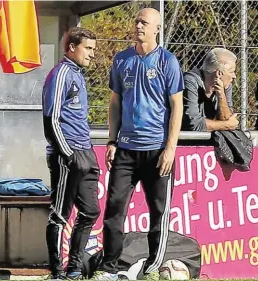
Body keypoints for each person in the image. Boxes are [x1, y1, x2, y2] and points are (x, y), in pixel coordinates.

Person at [92, 8, 184, 281]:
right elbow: (115, 103)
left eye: (144, 22)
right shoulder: (122, 60)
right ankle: (109, 268)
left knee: (158, 211)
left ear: (157, 28)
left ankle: (153, 268)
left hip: (157, 150)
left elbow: (176, 105)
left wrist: (170, 148)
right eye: (137, 21)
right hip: (126, 149)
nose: (138, 25)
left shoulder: (167, 61)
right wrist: (112, 139)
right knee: (114, 207)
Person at [42, 27, 100, 280]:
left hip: (85, 150)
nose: (92, 55)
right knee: (60, 214)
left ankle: (74, 268)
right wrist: (67, 153)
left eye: (93, 50)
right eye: (88, 49)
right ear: (72, 47)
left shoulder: (78, 74)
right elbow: (51, 118)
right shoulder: (61, 73)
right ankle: (57, 272)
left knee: (91, 211)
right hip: (68, 152)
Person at [182, 48, 239, 131]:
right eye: (231, 72)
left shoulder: (226, 85)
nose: (234, 76)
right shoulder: (190, 82)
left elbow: (228, 119)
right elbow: (193, 124)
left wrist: (221, 95)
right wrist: (226, 125)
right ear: (219, 73)